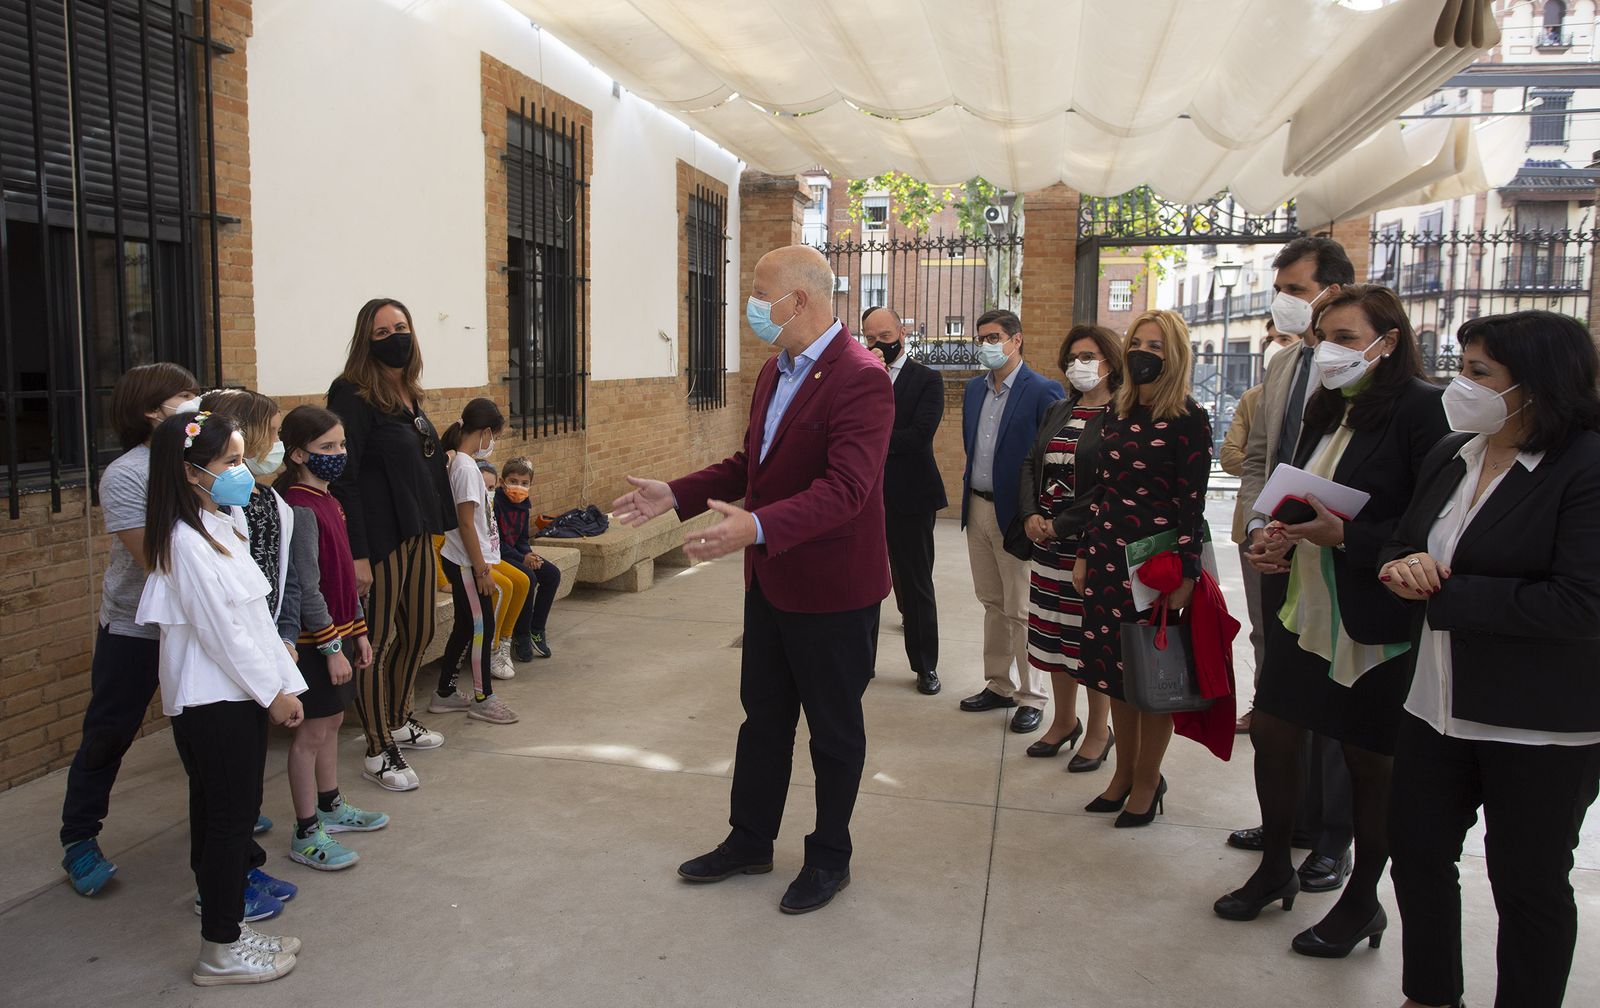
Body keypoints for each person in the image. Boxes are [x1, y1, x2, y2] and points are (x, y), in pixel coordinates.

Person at [612, 244, 893, 915]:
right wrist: (673, 495)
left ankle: (830, 856)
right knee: (763, 718)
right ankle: (750, 839)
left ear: (799, 300)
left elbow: (847, 489)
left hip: (831, 590)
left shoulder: (861, 376)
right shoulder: (776, 371)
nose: (751, 306)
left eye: (761, 292)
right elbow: (752, 465)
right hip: (770, 584)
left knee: (833, 730)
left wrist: (758, 527)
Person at [1215, 285, 1447, 960]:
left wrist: (1345, 536)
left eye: (1346, 337)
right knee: (1276, 733)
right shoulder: (1325, 406)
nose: (1329, 351)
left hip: (1372, 610)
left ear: (1389, 340)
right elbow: (1298, 489)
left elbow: (1426, 525)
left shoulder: (1423, 412)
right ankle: (1275, 866)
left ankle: (1361, 900)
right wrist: (1273, 535)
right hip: (1304, 602)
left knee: (1370, 762)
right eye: (1322, 337)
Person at [1379, 310, 1600, 1008]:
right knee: (1416, 856)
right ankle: (1432, 994)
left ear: (1536, 386)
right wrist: (1397, 564)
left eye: (1479, 373)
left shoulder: (1586, 467)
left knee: (1527, 883)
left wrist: (1442, 594)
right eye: (1461, 366)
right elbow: (1403, 540)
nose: (1459, 384)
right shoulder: (1456, 452)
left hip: (1536, 724)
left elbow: (1580, 603)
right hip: (1433, 704)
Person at [134, 410, 307, 986]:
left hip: (236, 696)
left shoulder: (221, 526)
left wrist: (284, 677)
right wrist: (274, 694)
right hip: (216, 703)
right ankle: (219, 951)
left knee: (221, 819)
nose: (243, 471)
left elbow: (253, 619)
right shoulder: (185, 543)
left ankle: (227, 928)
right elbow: (223, 635)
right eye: (230, 462)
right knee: (229, 824)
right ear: (189, 473)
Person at [1229, 236, 1358, 896]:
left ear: (1335, 290)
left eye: (1298, 290)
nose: (1285, 303)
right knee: (1281, 692)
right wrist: (1257, 526)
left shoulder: (1372, 373)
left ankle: (1335, 837)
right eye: (1281, 289)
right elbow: (1259, 459)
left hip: (1337, 561)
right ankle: (1291, 821)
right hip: (1272, 553)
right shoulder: (1281, 367)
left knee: (1336, 698)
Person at [59, 362, 198, 896]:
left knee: (200, 726)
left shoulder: (197, 462)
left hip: (192, 621)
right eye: (184, 396)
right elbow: (155, 559)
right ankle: (79, 840)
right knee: (109, 732)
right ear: (150, 410)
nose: (195, 404)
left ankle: (220, 809)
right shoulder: (127, 474)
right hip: (135, 627)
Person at [1071, 310, 1211, 827]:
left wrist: (1188, 573)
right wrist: (1086, 551)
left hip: (1157, 567)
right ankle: (1123, 773)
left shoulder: (1189, 418)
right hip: (1109, 557)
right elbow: (1101, 491)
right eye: (1137, 342)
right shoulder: (1115, 412)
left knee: (1153, 679)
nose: (1143, 352)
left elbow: (1190, 503)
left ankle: (1148, 781)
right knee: (1114, 675)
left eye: (1156, 345)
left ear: (1174, 355)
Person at [327, 298, 454, 791]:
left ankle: (400, 715)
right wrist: (356, 552)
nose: (394, 336)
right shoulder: (352, 393)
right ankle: (379, 746)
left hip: (418, 529)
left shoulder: (408, 391)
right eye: (382, 331)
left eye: (401, 327)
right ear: (366, 339)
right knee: (373, 644)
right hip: (380, 538)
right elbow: (345, 475)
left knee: (420, 630)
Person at [278, 406, 388, 870]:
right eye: (327, 447)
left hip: (341, 636)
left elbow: (344, 577)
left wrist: (358, 632)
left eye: (341, 445)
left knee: (332, 725)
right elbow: (306, 584)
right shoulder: (301, 507)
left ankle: (331, 805)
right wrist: (329, 647)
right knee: (310, 734)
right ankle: (306, 832)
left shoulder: (332, 500)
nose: (338, 454)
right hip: (313, 642)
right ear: (299, 453)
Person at [1015, 325, 1119, 769]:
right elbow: (1031, 462)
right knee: (1053, 635)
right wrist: (1030, 517)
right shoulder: (1059, 408)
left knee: (1087, 642)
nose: (1079, 364)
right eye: (1073, 356)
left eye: (1089, 355)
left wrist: (1060, 525)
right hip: (1047, 545)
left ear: (1110, 362)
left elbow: (1111, 486)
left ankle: (1098, 731)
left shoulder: (1122, 415)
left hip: (1089, 545)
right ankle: (1063, 721)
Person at [958, 308, 1066, 732]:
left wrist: (1037, 511)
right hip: (977, 507)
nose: (988, 344)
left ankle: (1032, 695)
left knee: (1021, 607)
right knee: (992, 602)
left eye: (995, 336)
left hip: (1017, 514)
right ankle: (999, 685)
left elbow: (1049, 460)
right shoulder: (973, 390)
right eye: (982, 337)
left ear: (1016, 340)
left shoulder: (1043, 390)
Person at [862, 305, 946, 696]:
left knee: (914, 584)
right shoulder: (860, 376)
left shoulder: (926, 380)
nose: (879, 344)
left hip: (911, 496)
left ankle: (925, 665)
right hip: (865, 498)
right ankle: (861, 661)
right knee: (864, 583)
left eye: (885, 336)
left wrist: (871, 443)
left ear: (902, 333)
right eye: (871, 338)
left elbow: (918, 435)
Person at [428, 398, 518, 724]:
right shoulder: (466, 468)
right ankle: (483, 697)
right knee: (483, 627)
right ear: (483, 432)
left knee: (467, 626)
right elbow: (465, 523)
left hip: (468, 561)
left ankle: (444, 693)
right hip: (467, 564)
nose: (492, 443)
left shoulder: (464, 463)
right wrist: (481, 570)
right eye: (493, 436)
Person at [494, 456, 560, 661]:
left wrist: (529, 554)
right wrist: (523, 558)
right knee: (528, 577)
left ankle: (536, 629)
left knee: (552, 574)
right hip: (498, 555)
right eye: (513, 481)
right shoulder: (495, 503)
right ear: (502, 482)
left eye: (524, 483)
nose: (518, 487)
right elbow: (495, 541)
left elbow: (522, 538)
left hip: (517, 553)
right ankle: (519, 635)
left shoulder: (524, 505)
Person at [473, 460, 527, 680]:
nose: (488, 492)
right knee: (503, 586)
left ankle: (505, 639)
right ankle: (492, 649)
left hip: (491, 558)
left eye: (491, 488)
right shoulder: (465, 506)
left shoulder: (490, 506)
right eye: (483, 487)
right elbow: (438, 544)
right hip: (470, 562)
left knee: (523, 581)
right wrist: (442, 582)